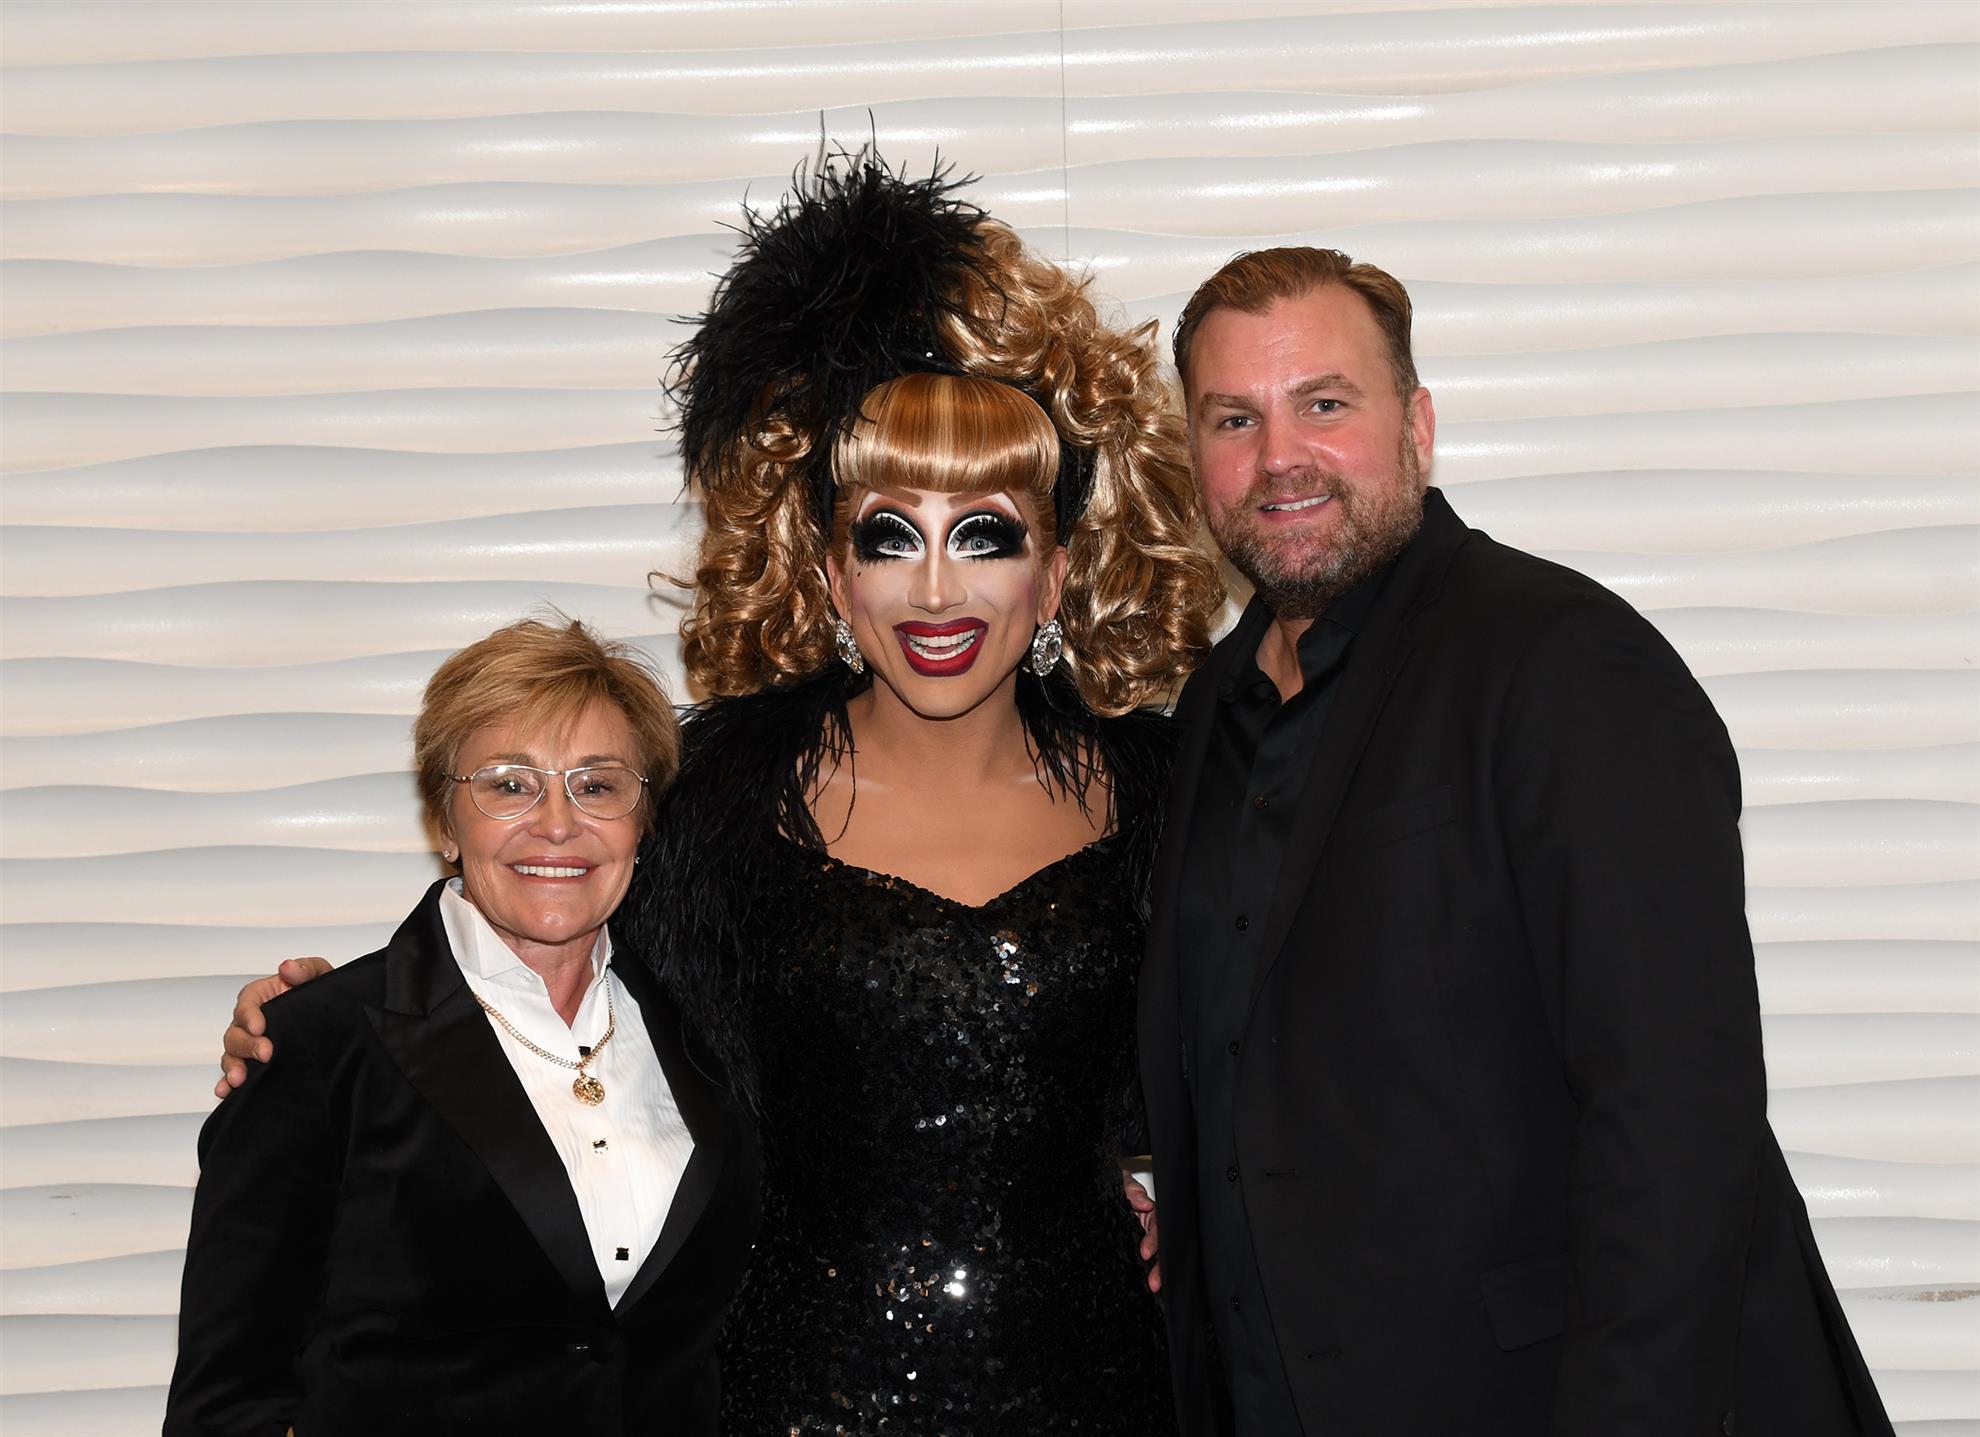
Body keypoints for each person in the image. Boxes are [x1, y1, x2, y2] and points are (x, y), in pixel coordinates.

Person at [217, 155, 1224, 1433]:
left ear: (1059, 570)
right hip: (778, 1399)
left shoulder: (1171, 800)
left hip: (1104, 1392)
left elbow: (1271, 1055)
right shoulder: (715, 806)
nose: (934, 590)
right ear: (832, 571)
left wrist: (1201, 1199)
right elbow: (540, 962)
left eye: (985, 534)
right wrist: (320, 1032)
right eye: (889, 534)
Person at [1138, 247, 1894, 1435]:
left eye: (1324, 405)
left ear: (1418, 427)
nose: (1279, 457)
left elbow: (1675, 1129)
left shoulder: (1566, 663)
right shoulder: (1205, 718)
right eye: (1235, 418)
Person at [169, 618, 759, 1436]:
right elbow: (226, 1404)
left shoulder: (710, 1030)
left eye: (598, 785)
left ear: (643, 819)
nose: (558, 822)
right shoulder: (318, 1044)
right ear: (444, 821)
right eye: (509, 784)